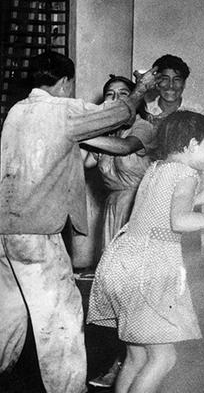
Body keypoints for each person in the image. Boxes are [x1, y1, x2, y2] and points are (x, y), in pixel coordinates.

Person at [0, 52, 156, 393]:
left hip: (5, 229)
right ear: (65, 82)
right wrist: (141, 87)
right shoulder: (62, 110)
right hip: (38, 230)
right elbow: (121, 112)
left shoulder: (16, 112)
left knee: (8, 312)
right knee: (62, 320)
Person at [87, 111, 204, 393]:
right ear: (191, 145)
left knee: (137, 356)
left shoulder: (156, 168)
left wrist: (194, 200)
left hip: (121, 262)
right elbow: (180, 221)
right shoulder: (188, 174)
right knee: (164, 358)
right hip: (148, 270)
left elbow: (158, 208)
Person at [82, 75, 157, 389]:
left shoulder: (142, 127)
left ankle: (130, 362)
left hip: (138, 211)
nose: (114, 99)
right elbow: (84, 162)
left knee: (133, 295)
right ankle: (123, 360)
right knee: (116, 295)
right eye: (109, 95)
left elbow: (124, 148)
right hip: (113, 214)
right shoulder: (106, 132)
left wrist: (79, 133)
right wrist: (94, 128)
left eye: (123, 94)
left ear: (135, 97)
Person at [141, 54, 201, 125]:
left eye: (177, 79)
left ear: (184, 83)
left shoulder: (196, 112)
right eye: (165, 79)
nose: (171, 85)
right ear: (156, 83)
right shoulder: (146, 111)